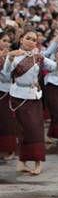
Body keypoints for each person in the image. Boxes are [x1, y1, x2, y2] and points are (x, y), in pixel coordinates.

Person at [3, 29, 57, 175]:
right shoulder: (14, 56)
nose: (32, 41)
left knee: (36, 130)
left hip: (34, 96)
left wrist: (42, 57)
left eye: (34, 39)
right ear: (21, 39)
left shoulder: (37, 56)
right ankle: (22, 162)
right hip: (18, 96)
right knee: (23, 130)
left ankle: (38, 163)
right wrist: (9, 56)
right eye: (28, 38)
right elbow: (6, 73)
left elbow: (53, 66)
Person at [0, 31, 17, 160]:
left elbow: (7, 76)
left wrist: (7, 60)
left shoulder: (11, 57)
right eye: (3, 40)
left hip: (6, 91)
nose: (6, 43)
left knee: (6, 121)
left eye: (8, 41)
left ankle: (8, 150)